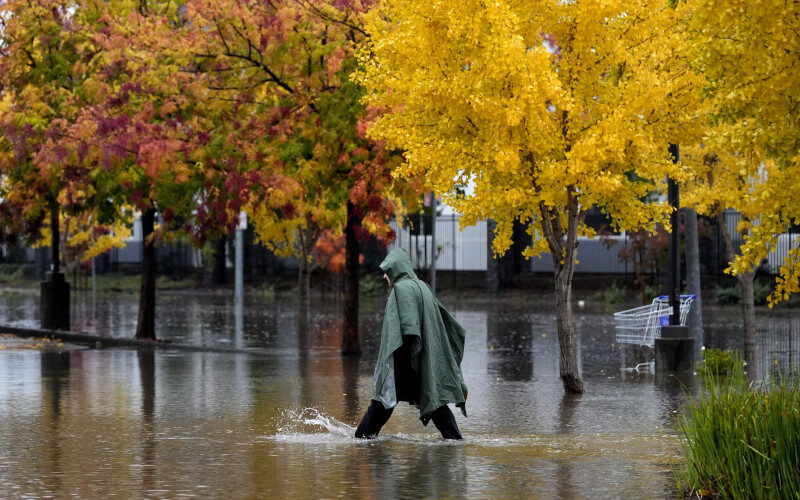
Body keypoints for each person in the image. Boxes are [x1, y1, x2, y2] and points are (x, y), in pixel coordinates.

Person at [355, 248, 468, 440]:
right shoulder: (422, 286)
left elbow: (408, 327)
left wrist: (399, 363)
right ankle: (455, 441)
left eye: (387, 270)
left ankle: (360, 440)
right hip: (422, 357)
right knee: (433, 400)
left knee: (383, 399)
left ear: (396, 269)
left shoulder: (401, 289)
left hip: (406, 357)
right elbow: (443, 320)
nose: (384, 276)